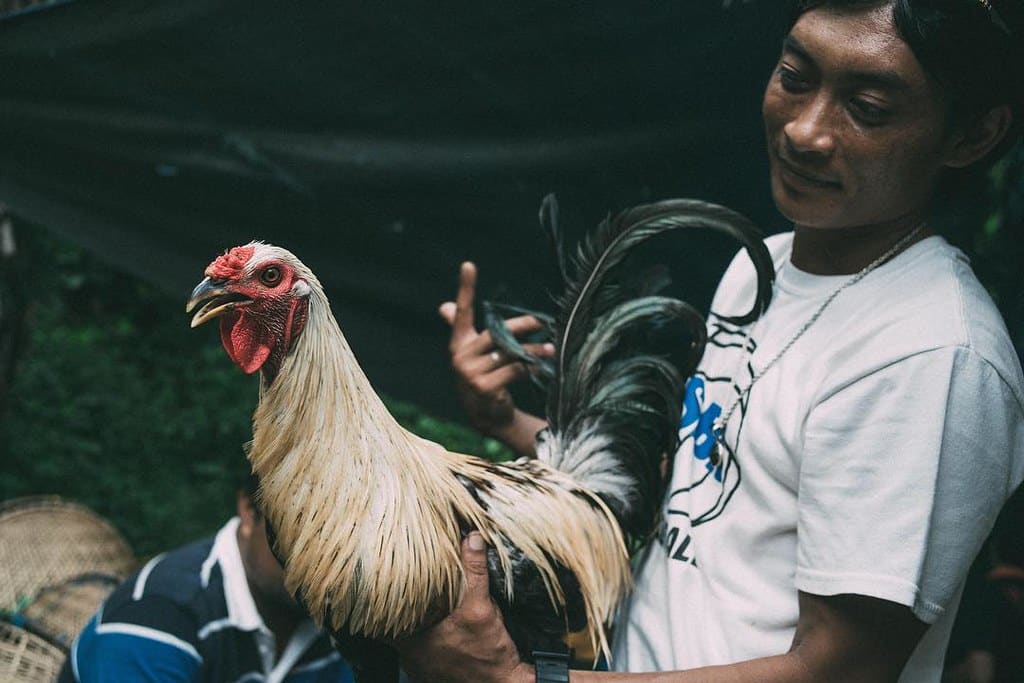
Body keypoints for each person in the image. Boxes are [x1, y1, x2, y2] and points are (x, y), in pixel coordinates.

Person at [394, 0, 1024, 681]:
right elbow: (704, 492)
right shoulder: (764, 266)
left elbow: (840, 667)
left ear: (972, 134)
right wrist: (510, 422)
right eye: (794, 74)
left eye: (867, 108)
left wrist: (520, 680)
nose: (806, 130)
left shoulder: (930, 356)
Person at [59, 476, 353, 682]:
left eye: (347, 541)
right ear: (250, 510)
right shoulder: (156, 617)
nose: (326, 563)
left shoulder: (347, 621)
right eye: (305, 533)